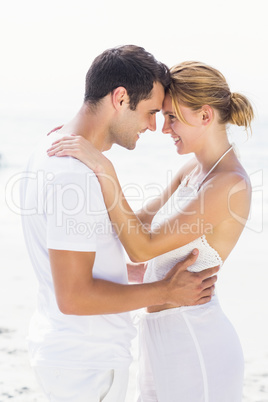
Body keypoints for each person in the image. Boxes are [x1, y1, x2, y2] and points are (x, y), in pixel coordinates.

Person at [20, 46, 219, 402]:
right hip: (85, 365)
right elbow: (74, 296)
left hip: (75, 358)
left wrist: (132, 273)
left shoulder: (53, 146)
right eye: (151, 112)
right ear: (121, 98)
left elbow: (78, 261)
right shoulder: (73, 175)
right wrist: (166, 292)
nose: (154, 126)